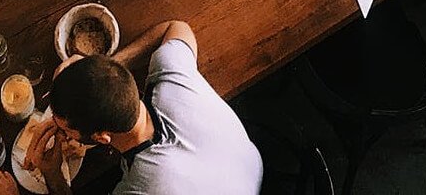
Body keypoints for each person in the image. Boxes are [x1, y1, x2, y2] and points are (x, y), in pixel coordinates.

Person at [22, 20, 263, 195]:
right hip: (247, 170)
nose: (60, 132)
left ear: (102, 138)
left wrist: (53, 175)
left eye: (66, 130)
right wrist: (105, 72)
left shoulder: (140, 187)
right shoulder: (171, 79)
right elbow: (177, 27)